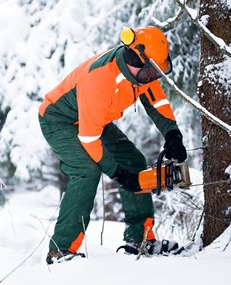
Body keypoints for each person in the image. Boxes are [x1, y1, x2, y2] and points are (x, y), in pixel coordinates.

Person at [38, 26, 187, 264]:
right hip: (60, 120)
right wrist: (118, 174)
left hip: (96, 119)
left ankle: (140, 240)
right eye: (150, 72)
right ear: (134, 58)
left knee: (135, 162)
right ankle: (60, 250)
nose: (151, 77)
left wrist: (172, 135)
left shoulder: (143, 71)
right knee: (87, 171)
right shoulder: (100, 79)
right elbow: (88, 138)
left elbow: (156, 102)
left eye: (155, 73)